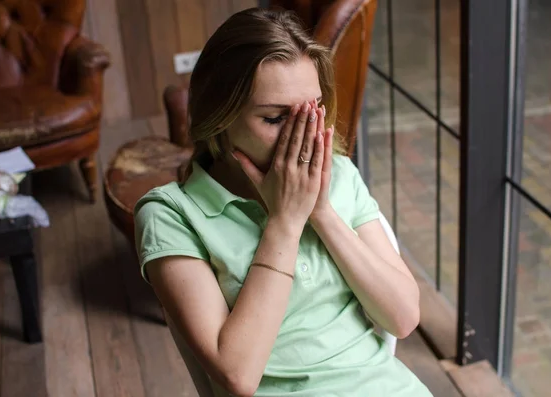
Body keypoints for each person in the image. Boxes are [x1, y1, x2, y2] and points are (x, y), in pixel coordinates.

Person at [134, 7, 432, 397]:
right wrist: (285, 223)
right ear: (218, 118)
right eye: (275, 119)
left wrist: (321, 211)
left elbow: (403, 318)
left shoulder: (339, 176)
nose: (303, 134)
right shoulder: (171, 215)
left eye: (312, 112)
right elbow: (237, 376)